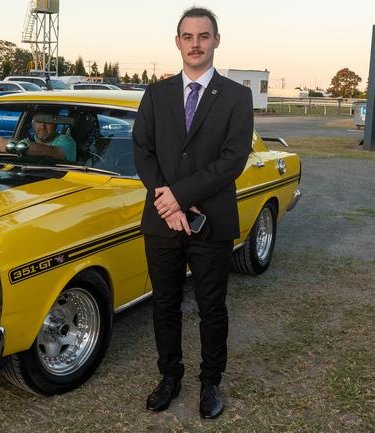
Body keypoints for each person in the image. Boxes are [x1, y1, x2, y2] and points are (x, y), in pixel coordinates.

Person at [132, 7, 253, 419]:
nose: (196, 43)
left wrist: (177, 197)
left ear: (216, 40)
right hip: (162, 222)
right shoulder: (156, 94)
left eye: (204, 35)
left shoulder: (237, 96)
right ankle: (170, 376)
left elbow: (233, 159)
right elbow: (143, 152)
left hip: (211, 219)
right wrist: (167, 203)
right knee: (164, 303)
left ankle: (210, 383)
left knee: (211, 307)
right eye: (188, 36)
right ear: (178, 41)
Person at [0, 113, 76, 160]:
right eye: (39, 121)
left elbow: (51, 152)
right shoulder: (27, 140)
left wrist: (9, 145)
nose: (42, 126)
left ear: (55, 125)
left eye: (47, 122)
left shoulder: (66, 141)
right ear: (32, 124)